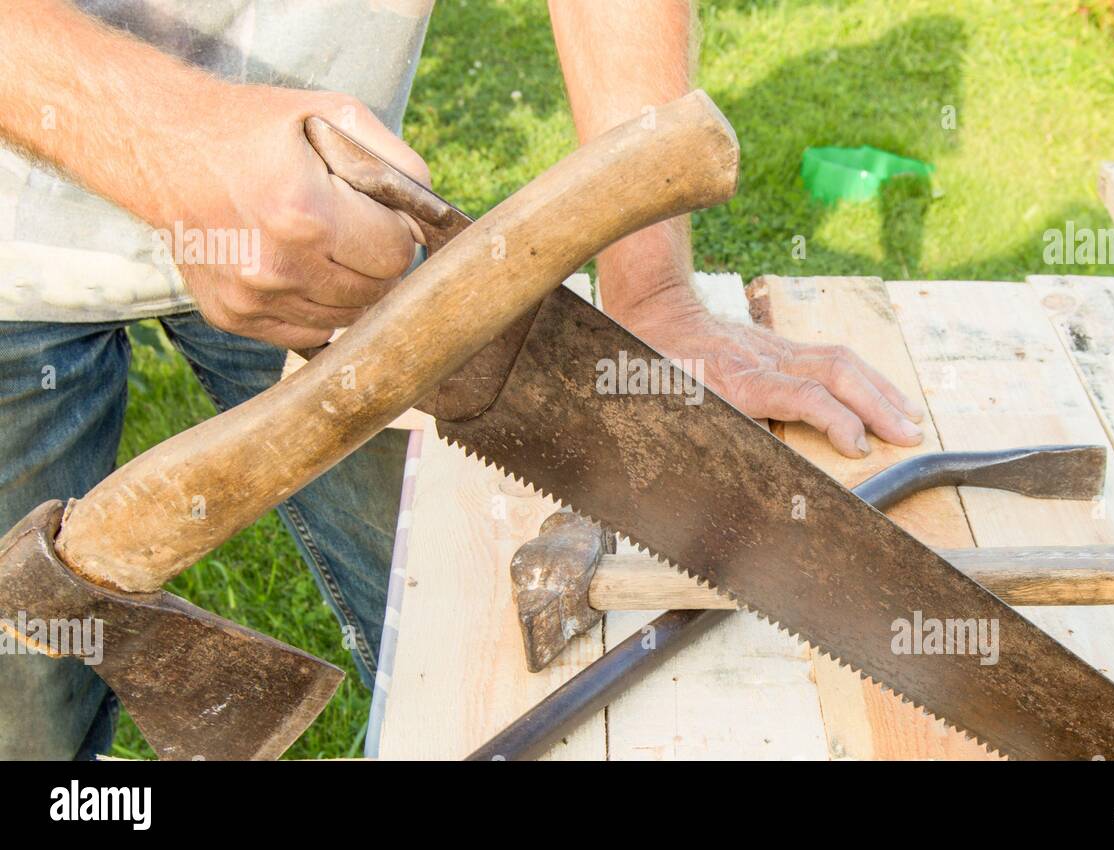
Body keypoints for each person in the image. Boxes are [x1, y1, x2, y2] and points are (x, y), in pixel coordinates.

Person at [0, 0, 924, 759]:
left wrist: (654, 297)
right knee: (23, 710)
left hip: (329, 227)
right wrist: (167, 139)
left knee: (469, 659)